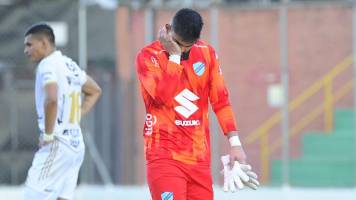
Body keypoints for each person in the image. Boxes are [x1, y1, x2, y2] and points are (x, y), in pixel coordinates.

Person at [136, 8, 257, 200]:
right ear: (168, 30)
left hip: (199, 159)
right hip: (164, 156)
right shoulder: (148, 56)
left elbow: (221, 100)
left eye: (187, 47)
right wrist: (174, 57)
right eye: (178, 44)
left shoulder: (206, 53)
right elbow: (163, 97)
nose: (183, 51)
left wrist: (235, 144)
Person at [22, 23, 102, 200]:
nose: (26, 50)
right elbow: (95, 90)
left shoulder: (46, 65)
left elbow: (52, 99)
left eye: (29, 44)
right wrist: (75, 117)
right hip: (75, 144)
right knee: (63, 197)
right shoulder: (69, 64)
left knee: (31, 196)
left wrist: (49, 135)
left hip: (56, 144)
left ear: (43, 43)